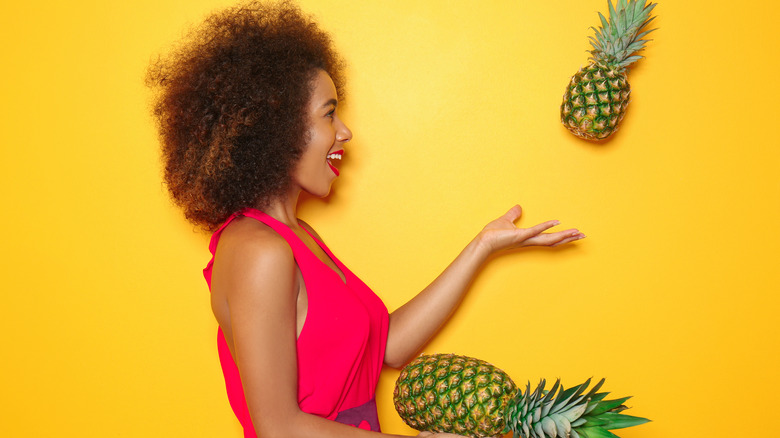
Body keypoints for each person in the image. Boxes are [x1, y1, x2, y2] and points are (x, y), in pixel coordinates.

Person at [146, 1, 585, 437]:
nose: (345, 132)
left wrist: (482, 247)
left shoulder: (298, 237)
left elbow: (387, 347)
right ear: (274, 124)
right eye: (329, 113)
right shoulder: (257, 251)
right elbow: (278, 427)